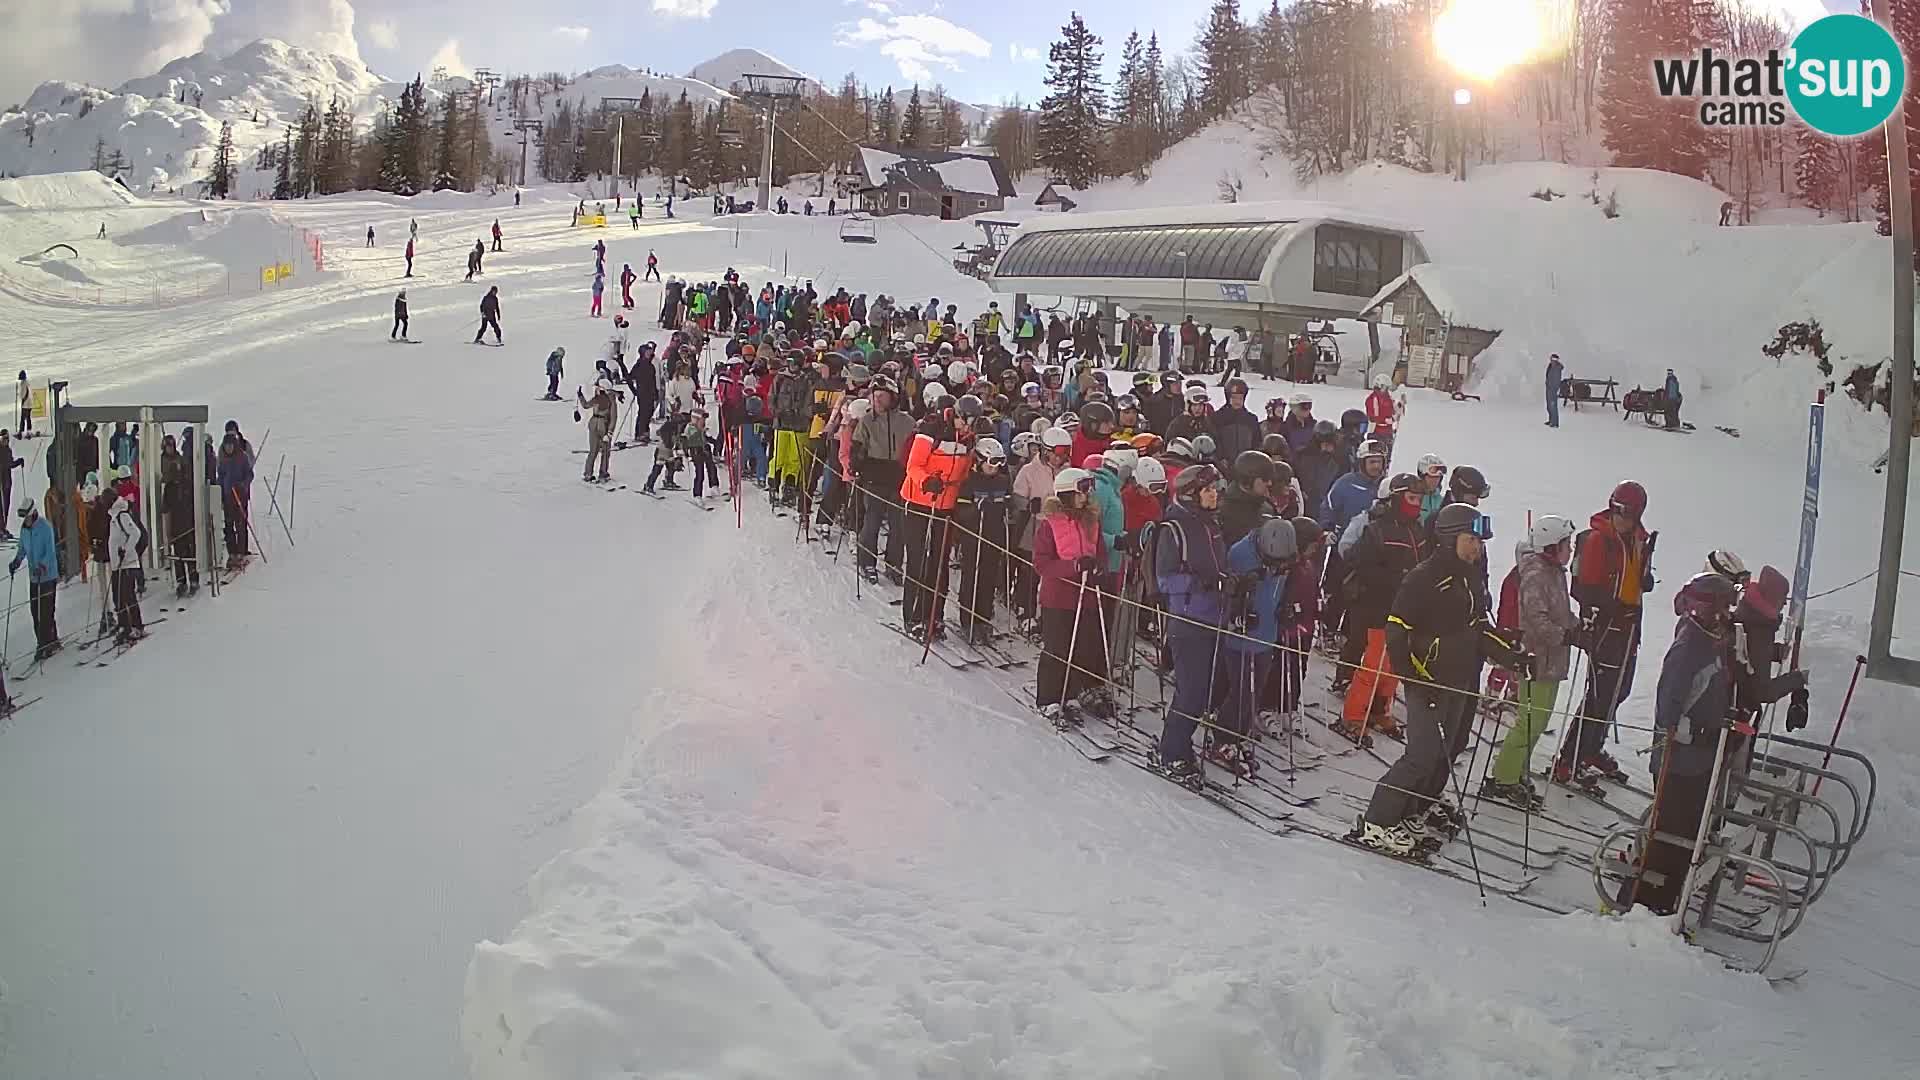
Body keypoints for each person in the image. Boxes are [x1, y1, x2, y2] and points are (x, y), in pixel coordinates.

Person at [1351, 503, 1526, 857]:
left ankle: (1414, 809)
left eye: (1480, 540)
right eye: (1471, 539)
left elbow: (1476, 629)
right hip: (1429, 682)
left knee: (1449, 751)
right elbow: (1396, 631)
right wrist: (1415, 680)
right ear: (1448, 539)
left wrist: (1513, 656)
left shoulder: (1471, 576)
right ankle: (1377, 822)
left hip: (1461, 679)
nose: (1478, 547)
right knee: (1421, 755)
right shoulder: (1424, 578)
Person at [1615, 572, 1741, 913]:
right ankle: (1639, 902)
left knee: (1687, 838)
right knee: (1669, 836)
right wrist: (1700, 734)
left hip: (1700, 761)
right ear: (1709, 610)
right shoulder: (1688, 649)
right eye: (1725, 609)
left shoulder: (1712, 642)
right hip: (1680, 763)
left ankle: (1667, 901)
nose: (1729, 616)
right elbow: (1667, 713)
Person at [1557, 480, 1653, 785]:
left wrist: (1644, 579)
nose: (1621, 519)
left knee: (1618, 692)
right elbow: (1583, 588)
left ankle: (1591, 749)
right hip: (1607, 629)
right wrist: (1608, 608)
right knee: (1600, 695)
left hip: (1629, 628)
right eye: (1617, 511)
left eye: (1627, 513)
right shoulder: (1600, 539)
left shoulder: (1638, 538)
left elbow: (1635, 575)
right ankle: (1569, 757)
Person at [1483, 516, 1581, 809]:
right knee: (1531, 721)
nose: (1571, 550)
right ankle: (1504, 776)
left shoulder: (1555, 572)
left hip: (1551, 660)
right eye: (1566, 544)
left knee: (1539, 720)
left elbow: (1559, 612)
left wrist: (1578, 628)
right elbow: (1536, 619)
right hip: (1537, 658)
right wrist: (1565, 636)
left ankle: (1516, 769)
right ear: (1551, 547)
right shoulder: (1536, 574)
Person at [1153, 463, 1229, 783]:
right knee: (1192, 692)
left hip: (1213, 615)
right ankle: (1171, 752)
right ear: (1190, 495)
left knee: (1206, 690)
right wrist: (1205, 584)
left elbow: (1216, 566)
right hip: (1189, 619)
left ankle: (1182, 744)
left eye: (1214, 489)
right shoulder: (1174, 529)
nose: (1215, 495)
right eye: (1208, 490)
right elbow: (1165, 580)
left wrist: (1232, 583)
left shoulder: (1209, 525)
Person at [1338, 472, 1428, 737]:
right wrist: (1398, 579)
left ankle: (1380, 709)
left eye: (1419, 499)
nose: (1416, 504)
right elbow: (1362, 565)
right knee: (1373, 664)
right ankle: (1353, 715)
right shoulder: (1377, 529)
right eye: (1411, 498)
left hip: (1405, 610)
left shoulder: (1417, 530)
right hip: (1377, 608)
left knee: (1395, 666)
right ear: (1397, 499)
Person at [1035, 467, 1112, 725]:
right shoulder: (1050, 524)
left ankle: (1069, 694)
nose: (1086, 495)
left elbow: (1099, 551)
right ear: (1066, 493)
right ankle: (1048, 698)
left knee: (1080, 647)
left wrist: (1100, 567)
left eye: (1088, 489)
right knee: (1057, 648)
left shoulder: (1091, 520)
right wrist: (1074, 566)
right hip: (1058, 598)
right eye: (1081, 490)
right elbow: (1042, 564)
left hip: (1086, 596)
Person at [953, 437, 1012, 646]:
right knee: (973, 575)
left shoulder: (1003, 481)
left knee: (989, 577)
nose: (995, 467)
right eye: (991, 462)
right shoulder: (969, 482)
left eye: (999, 462)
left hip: (994, 535)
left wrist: (1009, 505)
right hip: (973, 536)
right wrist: (977, 508)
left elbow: (1009, 501)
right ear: (978, 461)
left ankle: (983, 618)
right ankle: (968, 617)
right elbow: (960, 510)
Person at [11, 498, 60, 659]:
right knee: (35, 612)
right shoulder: (25, 530)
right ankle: (43, 642)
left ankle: (49, 642)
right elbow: (22, 548)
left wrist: (43, 566)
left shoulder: (45, 528)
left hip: (47, 576)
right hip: (34, 577)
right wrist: (17, 561)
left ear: (33, 514)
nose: (25, 521)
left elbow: (50, 552)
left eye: (27, 517)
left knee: (46, 611)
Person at [159, 434, 199, 597]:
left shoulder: (187, 484)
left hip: (187, 520)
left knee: (190, 551)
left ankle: (193, 579)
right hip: (176, 522)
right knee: (178, 553)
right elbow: (165, 507)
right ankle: (181, 581)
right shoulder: (169, 488)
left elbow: (192, 500)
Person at [216, 422, 255, 567]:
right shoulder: (223, 459)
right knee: (228, 525)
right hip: (227, 496)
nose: (228, 448)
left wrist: (244, 485)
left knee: (240, 524)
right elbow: (220, 475)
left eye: (231, 445)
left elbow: (250, 474)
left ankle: (241, 552)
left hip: (240, 496)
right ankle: (232, 553)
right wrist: (220, 490)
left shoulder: (242, 457)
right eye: (226, 446)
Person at [108, 495, 146, 644]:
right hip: (118, 565)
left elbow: (136, 533)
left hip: (127, 564)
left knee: (129, 597)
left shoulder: (122, 516)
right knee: (118, 598)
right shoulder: (113, 517)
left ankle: (137, 626)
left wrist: (126, 549)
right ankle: (124, 626)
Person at [577, 378, 618, 483]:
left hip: (593, 423)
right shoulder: (611, 400)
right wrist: (609, 433)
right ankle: (603, 474)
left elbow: (586, 405)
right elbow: (613, 417)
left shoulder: (597, 398)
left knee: (593, 451)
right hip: (603, 425)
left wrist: (580, 396)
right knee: (605, 451)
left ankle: (588, 474)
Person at [0, 429, 19, 537]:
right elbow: (5, 465)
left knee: (6, 505)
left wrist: (18, 462)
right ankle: (1, 529)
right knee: (1, 506)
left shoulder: (8, 450)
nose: (6, 441)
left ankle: (3, 527)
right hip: (1, 481)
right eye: (4, 438)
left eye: (7, 438)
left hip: (7, 482)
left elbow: (9, 464)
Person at [1545, 353, 1564, 428]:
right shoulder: (1551, 366)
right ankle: (1551, 420)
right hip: (1549, 388)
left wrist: (1554, 389)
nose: (1550, 360)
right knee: (1549, 406)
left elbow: (1556, 381)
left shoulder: (1556, 368)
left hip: (1553, 389)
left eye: (1552, 359)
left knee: (1553, 406)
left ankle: (1555, 422)